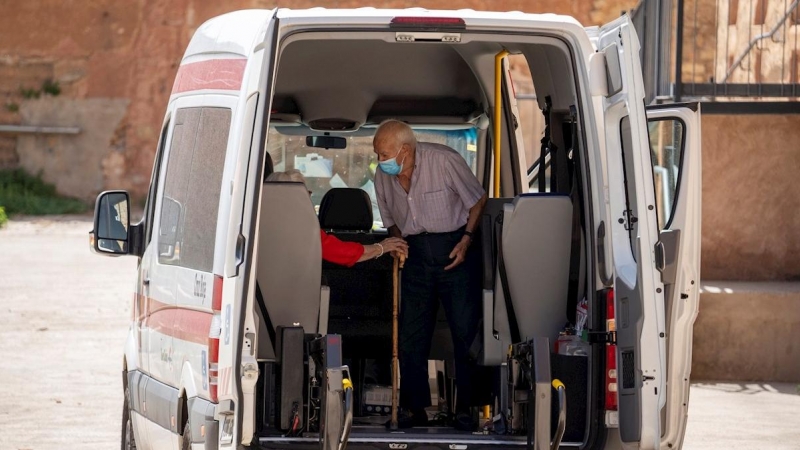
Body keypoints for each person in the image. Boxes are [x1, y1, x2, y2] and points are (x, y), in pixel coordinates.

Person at [373, 120, 488, 430]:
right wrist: (398, 242)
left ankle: (466, 409)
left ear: (405, 150)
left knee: (465, 332)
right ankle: (414, 409)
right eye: (377, 155)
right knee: (411, 333)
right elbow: (388, 217)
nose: (379, 160)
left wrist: (466, 239)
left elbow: (477, 199)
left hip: (455, 248)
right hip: (416, 253)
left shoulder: (444, 160)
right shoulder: (383, 176)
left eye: (383, 154)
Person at [265, 170, 408, 266]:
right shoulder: (302, 231)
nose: (308, 197)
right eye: (306, 193)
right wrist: (380, 248)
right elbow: (342, 252)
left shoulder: (254, 226)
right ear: (294, 197)